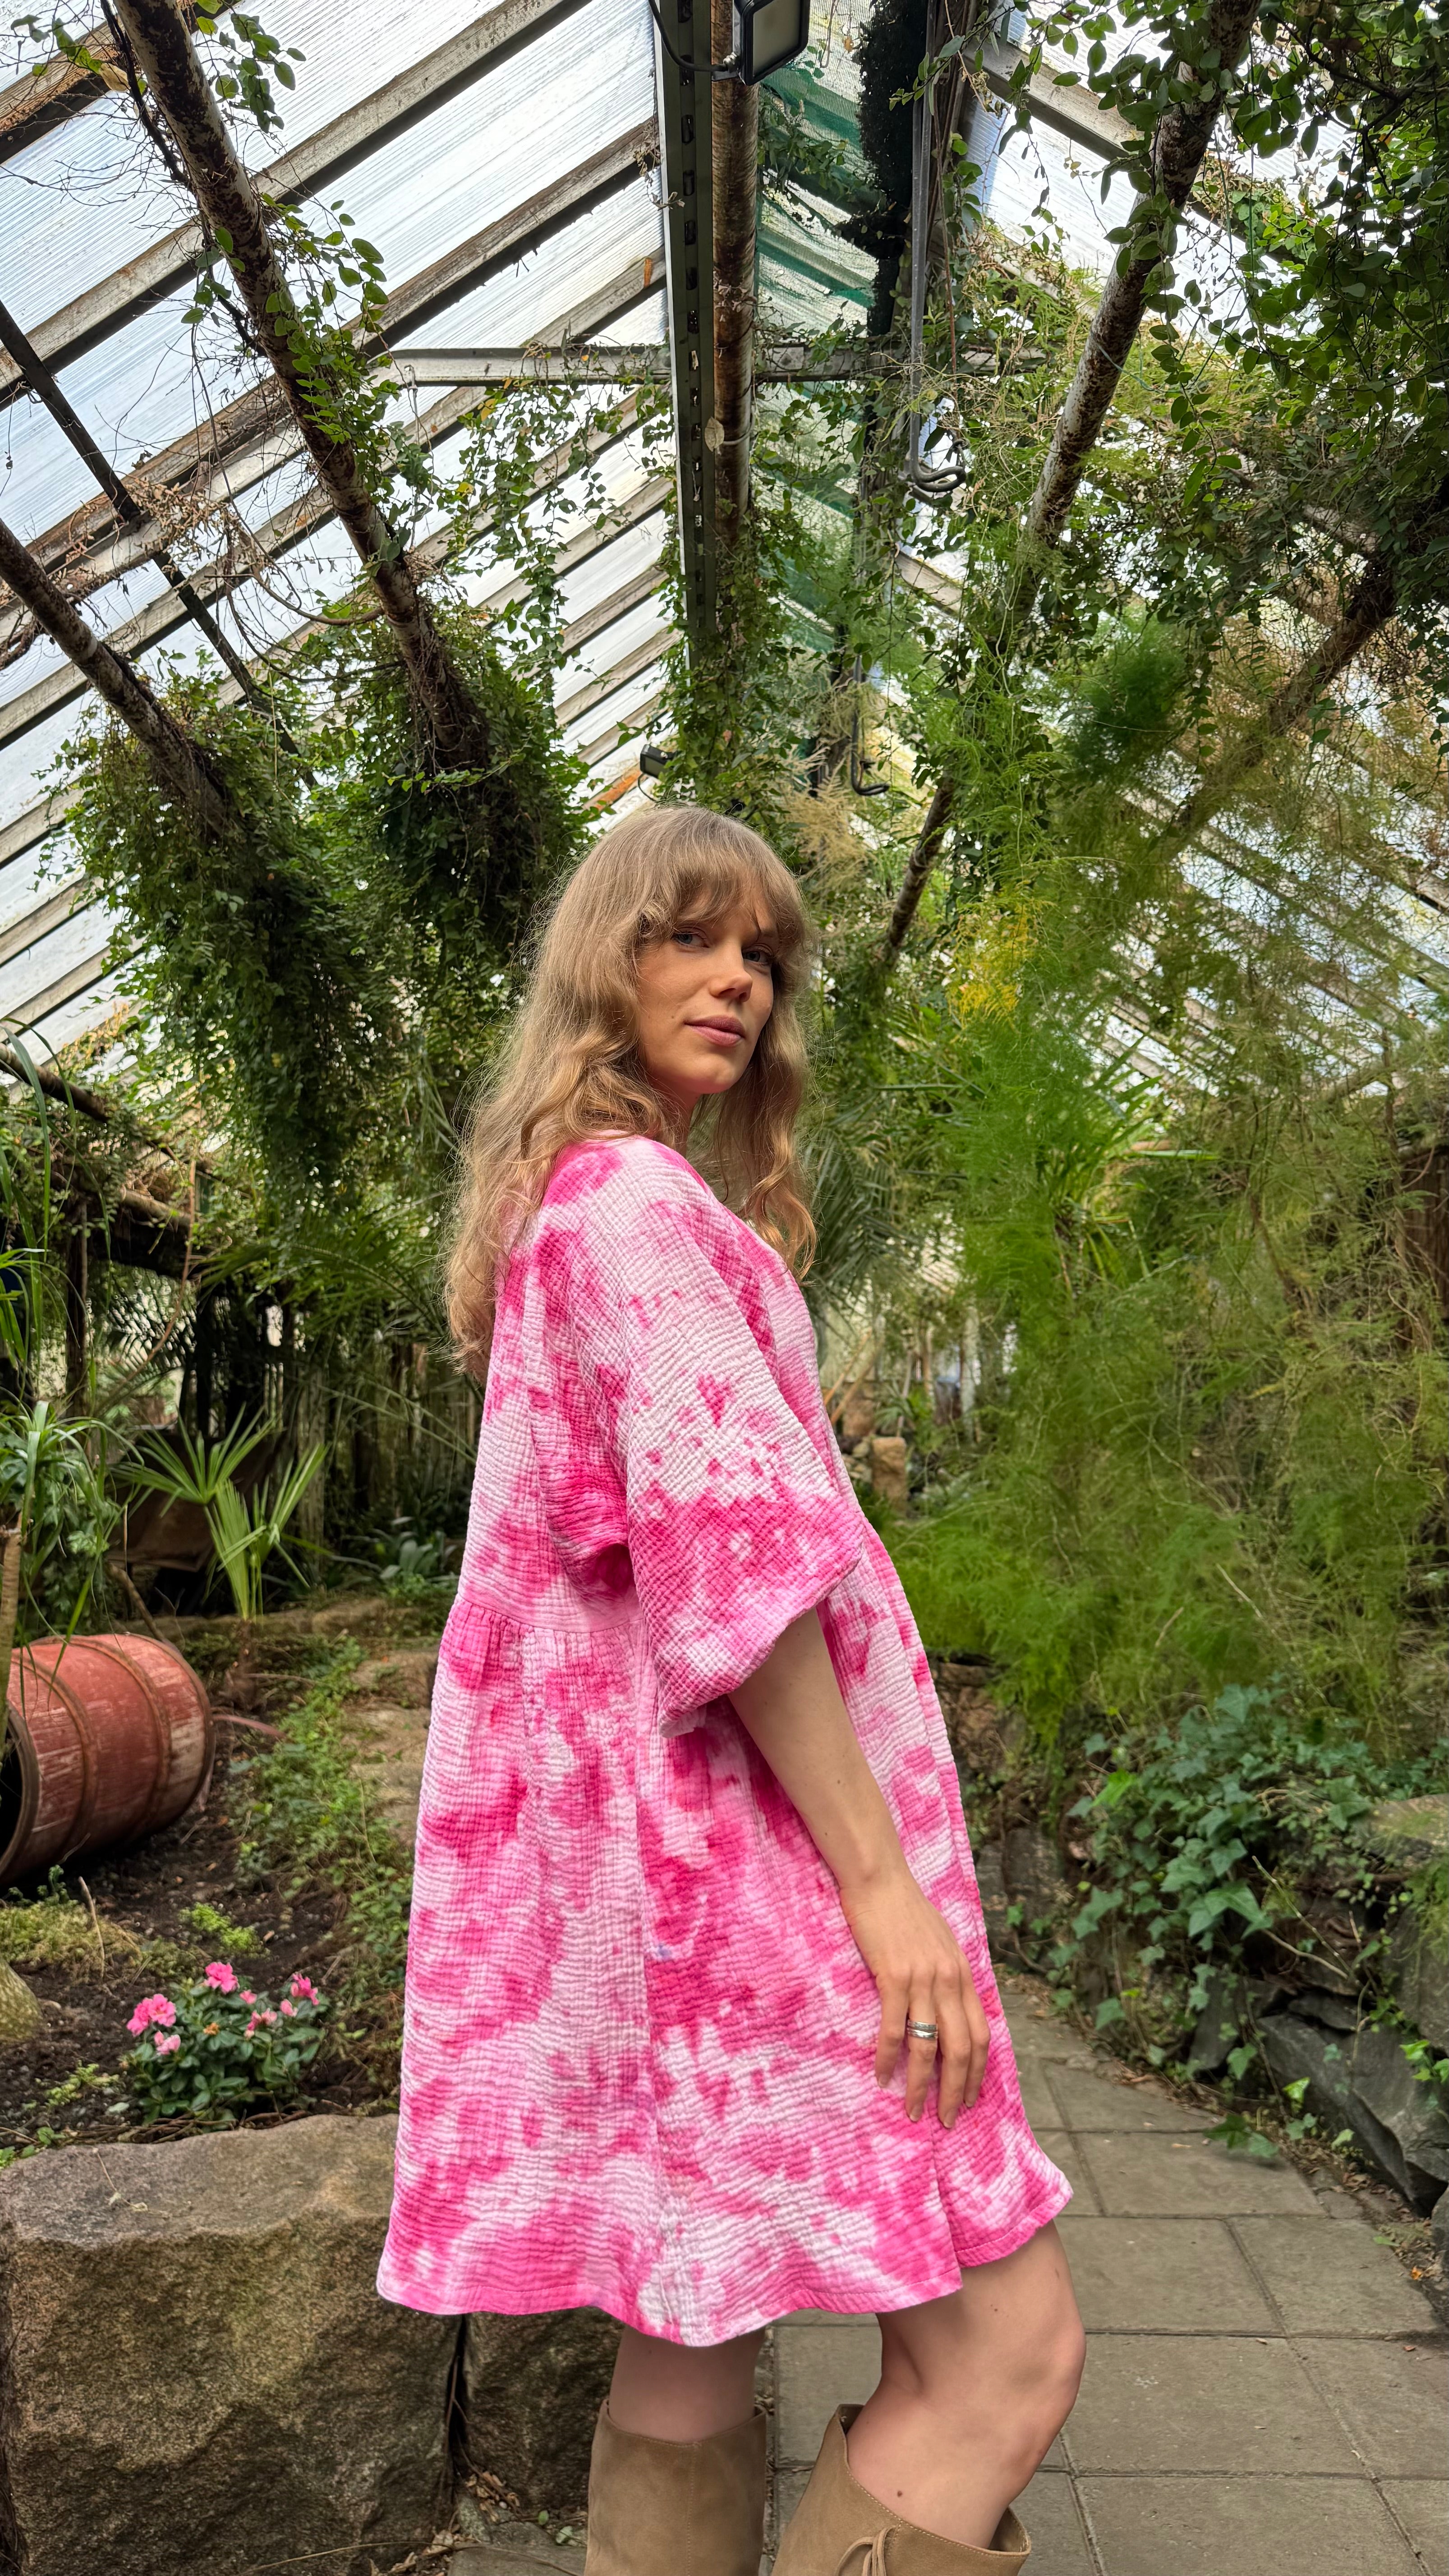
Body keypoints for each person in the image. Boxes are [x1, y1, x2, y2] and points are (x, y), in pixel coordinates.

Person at [378, 805, 1084, 2576]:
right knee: (1008, 2357)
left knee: (687, 2326)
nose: (738, 981)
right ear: (600, 965)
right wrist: (883, 1889)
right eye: (689, 937)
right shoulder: (630, 1209)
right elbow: (742, 1570)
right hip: (751, 1879)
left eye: (761, 953)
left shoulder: (576, 1206)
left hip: (659, 1890)